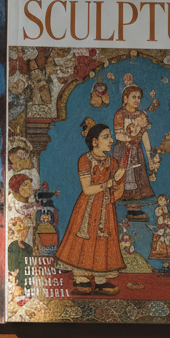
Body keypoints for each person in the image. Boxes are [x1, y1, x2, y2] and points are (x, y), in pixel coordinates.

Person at [53, 118, 126, 296]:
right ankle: (80, 277)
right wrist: (109, 183)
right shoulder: (85, 160)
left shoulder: (112, 162)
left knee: (103, 241)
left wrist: (118, 182)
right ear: (95, 142)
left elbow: (116, 189)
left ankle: (100, 280)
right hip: (88, 206)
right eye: (106, 137)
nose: (111, 141)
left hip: (106, 207)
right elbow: (87, 189)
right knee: (83, 241)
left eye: (110, 137)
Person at [113, 84, 157, 217]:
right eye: (134, 97)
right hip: (122, 150)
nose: (137, 100)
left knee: (138, 176)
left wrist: (149, 157)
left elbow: (144, 136)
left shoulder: (141, 115)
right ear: (125, 98)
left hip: (136, 151)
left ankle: (135, 209)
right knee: (123, 176)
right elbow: (118, 135)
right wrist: (130, 138)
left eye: (139, 97)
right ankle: (121, 206)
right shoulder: (120, 114)